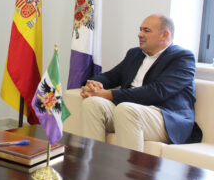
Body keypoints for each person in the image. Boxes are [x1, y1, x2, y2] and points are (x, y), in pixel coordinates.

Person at [79, 14, 202, 151]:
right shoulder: (135, 54)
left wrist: (108, 94)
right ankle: (92, 165)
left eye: (146, 30)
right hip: (128, 111)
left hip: (166, 118)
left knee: (126, 109)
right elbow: (110, 76)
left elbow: (158, 91)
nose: (140, 34)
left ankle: (128, 172)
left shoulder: (183, 57)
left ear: (164, 35)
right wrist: (93, 84)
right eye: (140, 29)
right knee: (92, 103)